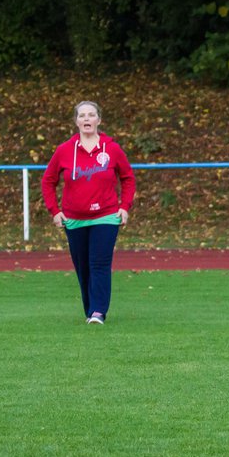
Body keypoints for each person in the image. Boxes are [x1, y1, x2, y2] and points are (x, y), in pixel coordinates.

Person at [41, 100, 135, 325]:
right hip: (74, 219)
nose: (86, 119)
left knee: (99, 263)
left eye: (91, 115)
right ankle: (90, 309)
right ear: (76, 121)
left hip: (106, 216)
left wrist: (124, 207)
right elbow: (48, 181)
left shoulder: (112, 149)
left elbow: (128, 178)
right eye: (82, 115)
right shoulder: (64, 151)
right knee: (82, 267)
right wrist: (55, 211)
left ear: (98, 120)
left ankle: (98, 312)